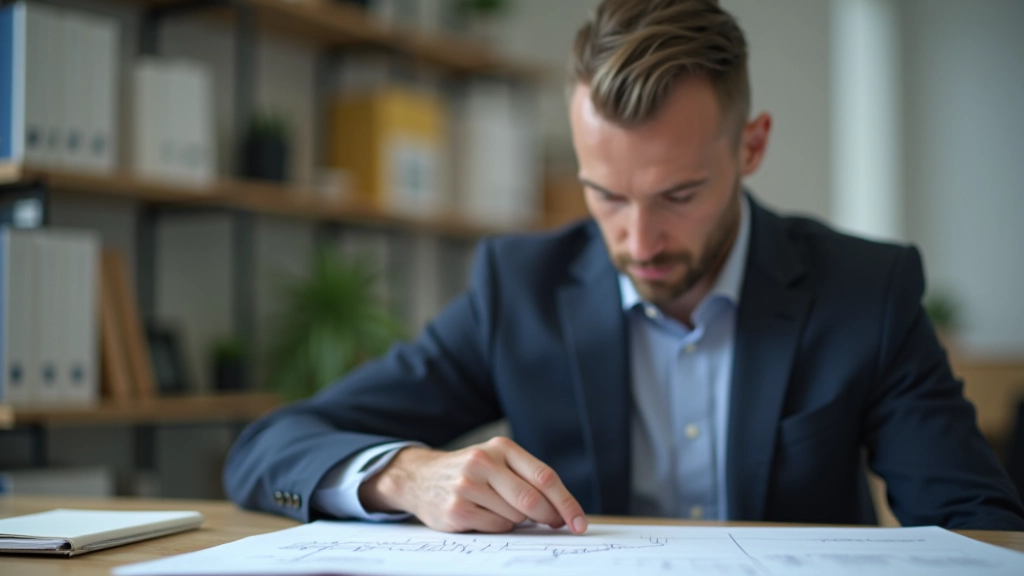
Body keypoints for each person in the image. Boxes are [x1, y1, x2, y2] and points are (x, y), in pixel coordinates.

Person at [223, 0, 1024, 533]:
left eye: (678, 194)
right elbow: (272, 444)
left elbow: (976, 524)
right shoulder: (518, 290)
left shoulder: (866, 293)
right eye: (605, 194)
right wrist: (405, 474)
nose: (638, 240)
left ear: (751, 146)